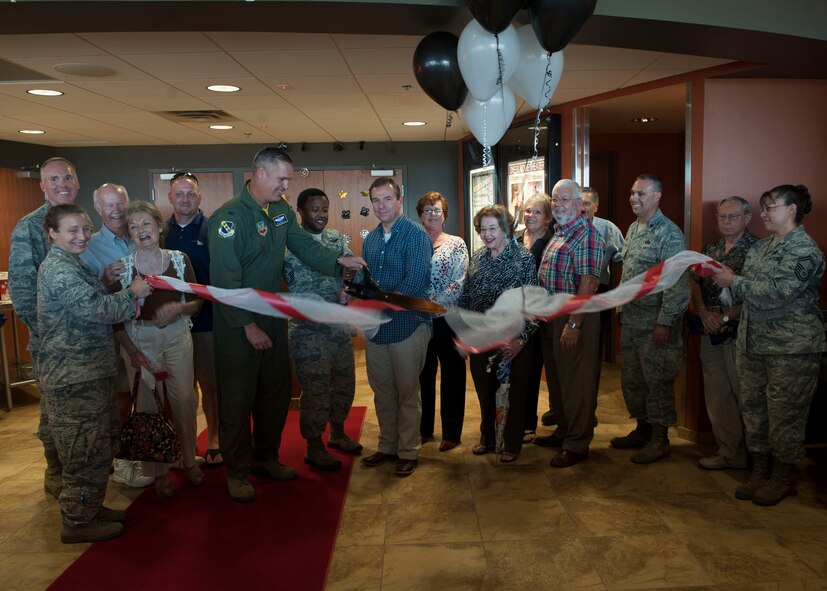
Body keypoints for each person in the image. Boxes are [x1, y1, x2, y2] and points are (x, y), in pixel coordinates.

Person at [209, 147, 365, 502]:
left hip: (273, 315)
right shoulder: (228, 218)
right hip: (239, 323)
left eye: (287, 180)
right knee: (237, 398)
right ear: (260, 174)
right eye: (281, 179)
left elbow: (303, 246)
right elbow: (225, 280)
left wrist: (338, 259)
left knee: (274, 393)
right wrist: (247, 325)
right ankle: (236, 470)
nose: (285, 186)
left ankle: (265, 458)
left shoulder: (279, 211)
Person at [36, 203, 151, 543]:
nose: (82, 236)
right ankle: (77, 521)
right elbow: (95, 308)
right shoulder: (59, 269)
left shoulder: (74, 264)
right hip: (73, 379)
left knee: (99, 447)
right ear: (53, 234)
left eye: (85, 228)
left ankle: (90, 508)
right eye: (72, 230)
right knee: (83, 452)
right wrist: (132, 292)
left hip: (89, 373)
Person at [713, 184, 825, 506]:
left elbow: (777, 292)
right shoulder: (760, 248)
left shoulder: (805, 250)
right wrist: (726, 280)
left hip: (791, 348)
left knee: (784, 415)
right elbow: (748, 292)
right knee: (754, 410)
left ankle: (781, 476)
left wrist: (734, 280)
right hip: (753, 343)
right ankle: (760, 469)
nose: (763, 214)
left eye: (770, 207)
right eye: (762, 208)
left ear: (792, 210)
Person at [117, 201, 204, 497]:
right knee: (148, 406)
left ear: (159, 227)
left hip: (178, 337)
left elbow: (198, 301)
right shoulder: (123, 268)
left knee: (185, 400)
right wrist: (131, 351)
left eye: (146, 224)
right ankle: (158, 473)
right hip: (141, 340)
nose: (141, 230)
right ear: (129, 233)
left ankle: (188, 460)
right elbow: (115, 318)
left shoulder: (180, 260)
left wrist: (177, 311)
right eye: (134, 226)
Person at [8, 157, 79, 500]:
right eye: (54, 179)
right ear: (42, 186)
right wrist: (49, 336)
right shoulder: (28, 227)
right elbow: (22, 292)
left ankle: (79, 469)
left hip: (83, 341)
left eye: (67, 177)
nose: (62, 183)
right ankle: (56, 471)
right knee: (54, 410)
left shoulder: (79, 221)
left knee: (78, 412)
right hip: (52, 343)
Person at [80, 183, 154, 489]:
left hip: (150, 330)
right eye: (108, 205)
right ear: (98, 210)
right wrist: (104, 279)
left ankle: (155, 454)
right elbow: (86, 296)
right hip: (116, 334)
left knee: (150, 397)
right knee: (123, 399)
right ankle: (123, 462)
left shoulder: (143, 236)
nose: (116, 210)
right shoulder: (89, 246)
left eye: (120, 203)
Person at [611, 174, 689, 464]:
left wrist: (664, 322)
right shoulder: (633, 228)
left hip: (655, 325)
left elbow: (677, 283)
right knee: (633, 380)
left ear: (657, 196)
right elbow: (629, 273)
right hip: (632, 321)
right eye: (632, 193)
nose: (634, 198)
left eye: (641, 194)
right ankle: (642, 430)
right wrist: (620, 309)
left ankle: (659, 438)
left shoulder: (669, 234)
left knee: (657, 382)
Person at [284, 188, 363, 471]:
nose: (321, 215)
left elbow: (357, 272)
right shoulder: (289, 244)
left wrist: (351, 284)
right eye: (314, 209)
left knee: (343, 383)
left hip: (338, 326)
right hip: (307, 331)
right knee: (316, 389)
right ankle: (314, 446)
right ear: (300, 211)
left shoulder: (337, 239)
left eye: (324, 209)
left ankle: (338, 433)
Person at [360, 177, 432, 477]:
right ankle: (387, 446)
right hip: (376, 330)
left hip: (408, 326)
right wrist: (353, 292)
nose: (381, 206)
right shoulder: (371, 239)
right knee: (382, 391)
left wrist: (378, 304)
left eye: (387, 199)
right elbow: (366, 283)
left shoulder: (416, 236)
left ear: (400, 200)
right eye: (376, 200)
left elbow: (413, 284)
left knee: (407, 392)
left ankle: (408, 451)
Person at [458, 205, 538, 464]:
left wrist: (521, 339)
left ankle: (512, 443)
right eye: (483, 229)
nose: (487, 234)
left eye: (492, 229)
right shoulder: (479, 256)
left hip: (513, 340)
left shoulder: (523, 259)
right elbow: (468, 296)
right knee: (485, 391)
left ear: (505, 229)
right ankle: (488, 438)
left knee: (513, 393)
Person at [533, 180, 604, 468]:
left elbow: (588, 283)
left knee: (577, 382)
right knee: (559, 380)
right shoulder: (561, 231)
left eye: (564, 199)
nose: (558, 204)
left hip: (576, 314)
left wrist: (574, 325)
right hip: (552, 314)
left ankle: (577, 443)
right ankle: (563, 431)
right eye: (555, 199)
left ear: (578, 203)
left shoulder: (586, 235)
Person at [691, 196, 756, 470]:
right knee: (717, 393)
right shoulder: (711, 248)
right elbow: (694, 282)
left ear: (747, 218)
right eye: (722, 217)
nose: (726, 222)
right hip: (710, 325)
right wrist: (704, 313)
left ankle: (756, 456)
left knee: (745, 393)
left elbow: (757, 294)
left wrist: (726, 317)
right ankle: (729, 452)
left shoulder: (758, 250)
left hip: (741, 329)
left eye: (733, 217)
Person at [164, 172, 222, 467]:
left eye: (191, 194)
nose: (185, 199)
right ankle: (184, 440)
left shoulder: (212, 231)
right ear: (170, 197)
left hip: (206, 321)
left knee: (209, 384)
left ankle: (213, 437)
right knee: (181, 389)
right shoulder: (162, 233)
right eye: (179, 194)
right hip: (170, 324)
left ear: (200, 198)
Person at [416, 191, 468, 452]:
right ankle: (424, 429)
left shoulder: (456, 243)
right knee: (422, 375)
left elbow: (459, 280)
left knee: (453, 375)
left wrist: (434, 305)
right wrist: (421, 306)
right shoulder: (414, 241)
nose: (432, 214)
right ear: (420, 215)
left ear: (445, 215)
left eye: (437, 210)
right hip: (419, 319)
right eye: (427, 210)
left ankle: (452, 432)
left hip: (448, 318)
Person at [514, 193, 554, 438]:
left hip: (539, 318)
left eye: (537, 212)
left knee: (531, 371)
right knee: (514, 370)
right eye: (528, 211)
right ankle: (512, 419)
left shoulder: (551, 243)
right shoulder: (516, 240)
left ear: (548, 218)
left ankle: (528, 421)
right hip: (514, 314)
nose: (530, 216)